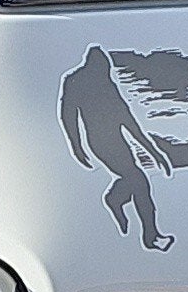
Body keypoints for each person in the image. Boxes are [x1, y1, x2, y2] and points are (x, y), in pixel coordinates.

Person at [59, 45, 174, 250]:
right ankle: (150, 235)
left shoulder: (105, 81)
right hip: (101, 143)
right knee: (139, 181)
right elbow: (69, 116)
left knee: (136, 180)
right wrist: (77, 147)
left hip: (118, 141)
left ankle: (117, 199)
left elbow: (127, 119)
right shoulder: (76, 81)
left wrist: (154, 151)